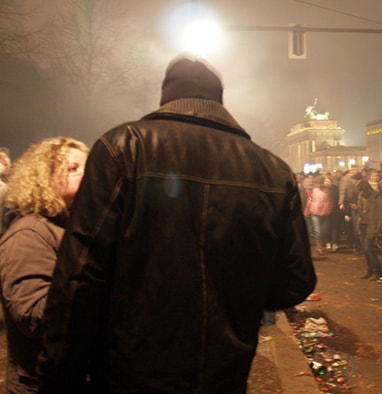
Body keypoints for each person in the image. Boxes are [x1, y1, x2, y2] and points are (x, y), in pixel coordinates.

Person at [38, 54, 317, 393]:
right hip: (224, 374)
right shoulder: (274, 171)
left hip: (127, 374)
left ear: (166, 99)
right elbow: (294, 283)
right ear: (218, 101)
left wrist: (58, 375)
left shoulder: (122, 148)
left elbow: (79, 279)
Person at [0, 137, 89, 393]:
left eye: (86, 167)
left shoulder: (66, 225)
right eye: (72, 168)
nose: (85, 174)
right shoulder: (29, 233)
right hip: (39, 383)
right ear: (44, 177)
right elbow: (33, 314)